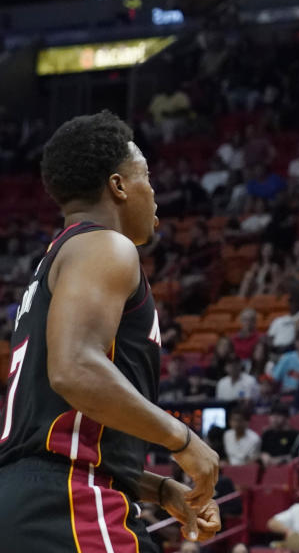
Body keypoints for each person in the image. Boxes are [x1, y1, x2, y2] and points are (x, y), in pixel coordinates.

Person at [0, 111, 220, 550]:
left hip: (32, 502)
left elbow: (53, 431)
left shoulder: (54, 266)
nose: (154, 193)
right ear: (118, 186)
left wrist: (157, 489)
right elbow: (75, 369)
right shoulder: (104, 245)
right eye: (147, 177)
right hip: (72, 504)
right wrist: (183, 440)